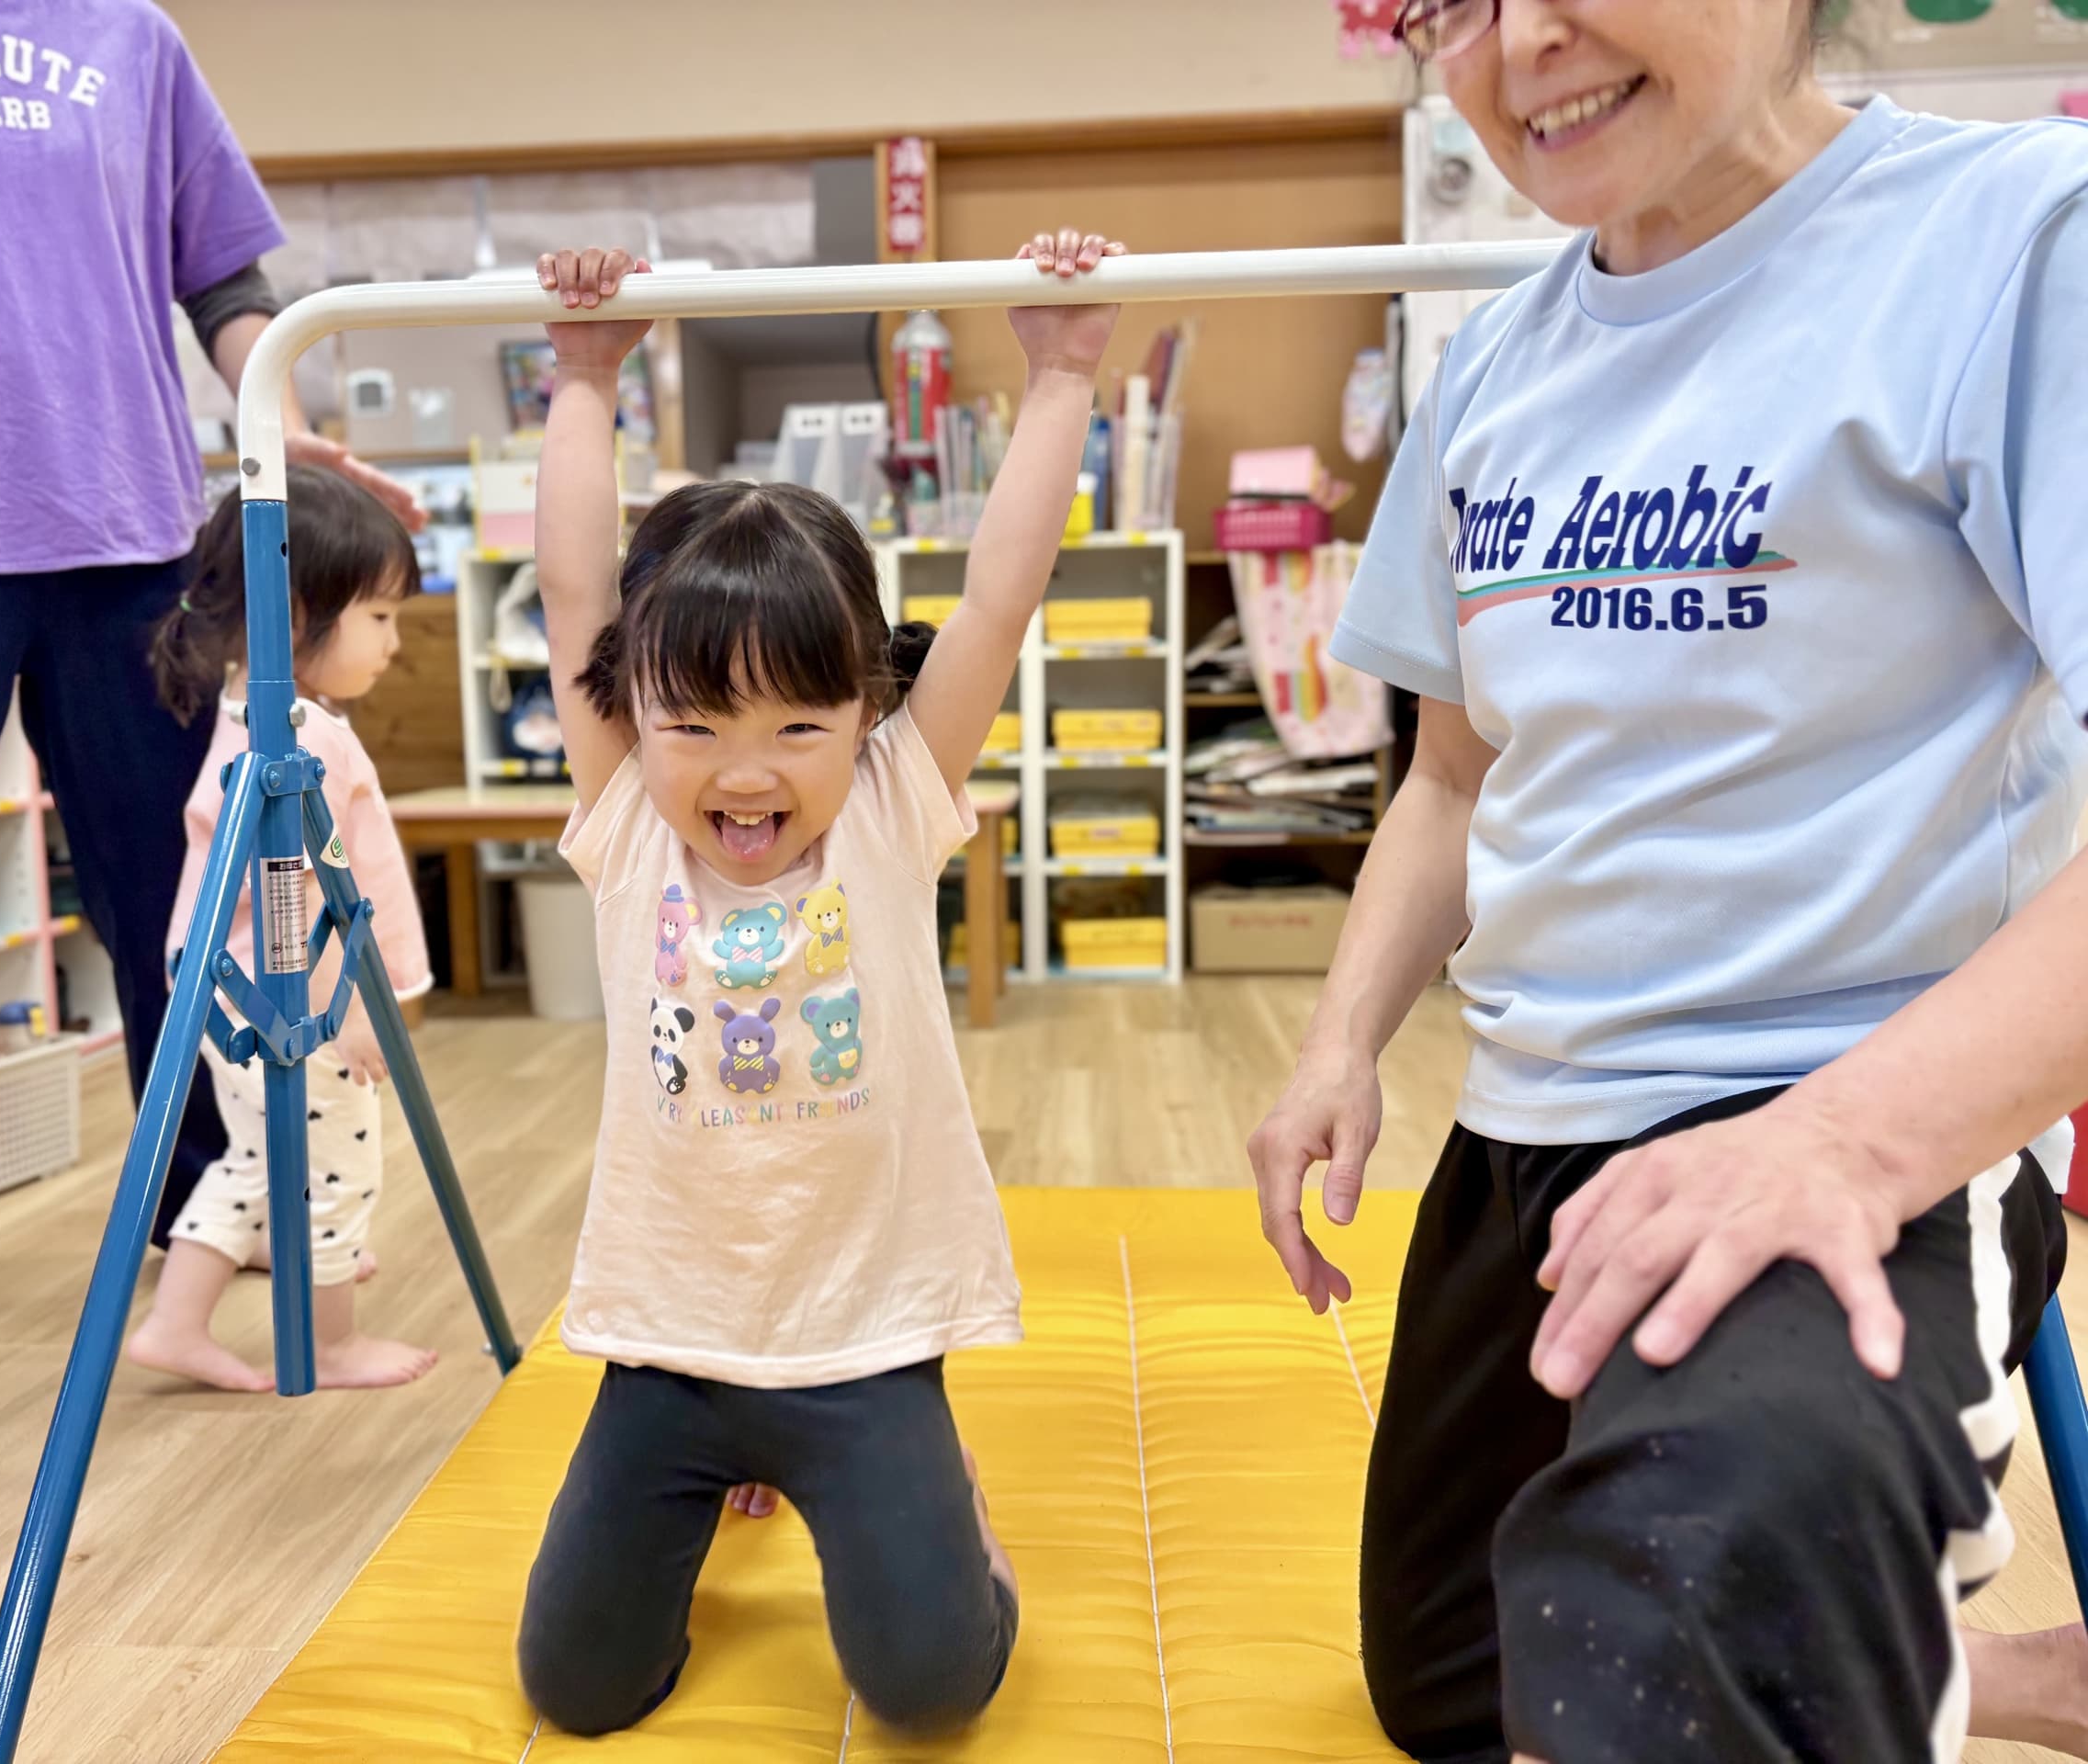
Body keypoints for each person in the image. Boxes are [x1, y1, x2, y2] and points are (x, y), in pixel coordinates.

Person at [1245, 1, 2088, 1758]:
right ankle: (1997, 1678)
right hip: (1533, 1127)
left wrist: (1846, 1147)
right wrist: (1337, 1047)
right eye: (1457, 1)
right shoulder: (1493, 365)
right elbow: (1453, 777)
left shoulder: (2013, 240)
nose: (1525, 41)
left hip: (1857, 1100)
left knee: (1679, 1616)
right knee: (1451, 1678)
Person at [0, 0, 422, 1467]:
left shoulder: (130, 36)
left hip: (120, 539)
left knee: (193, 931)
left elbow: (224, 278)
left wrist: (272, 417)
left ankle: (209, 1245)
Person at [510, 231, 1120, 1738]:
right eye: (700, 724)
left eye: (797, 726)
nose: (744, 774)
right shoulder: (631, 821)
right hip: (670, 1345)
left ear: (867, 711)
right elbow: (576, 587)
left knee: (927, 1688)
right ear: (634, 714)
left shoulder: (892, 810)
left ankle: (943, 1513)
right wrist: (586, 375)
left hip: (862, 1342)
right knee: (578, 1689)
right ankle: (713, 1500)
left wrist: (1059, 375)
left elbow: (995, 598)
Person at [124, 465, 436, 1393]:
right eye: (379, 616)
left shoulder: (274, 721)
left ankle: (177, 1322)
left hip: (241, 985)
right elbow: (295, 891)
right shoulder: (295, 743)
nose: (391, 640)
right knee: (336, 1168)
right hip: (285, 995)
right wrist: (344, 1007)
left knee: (261, 1161)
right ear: (297, 609)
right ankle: (329, 1342)